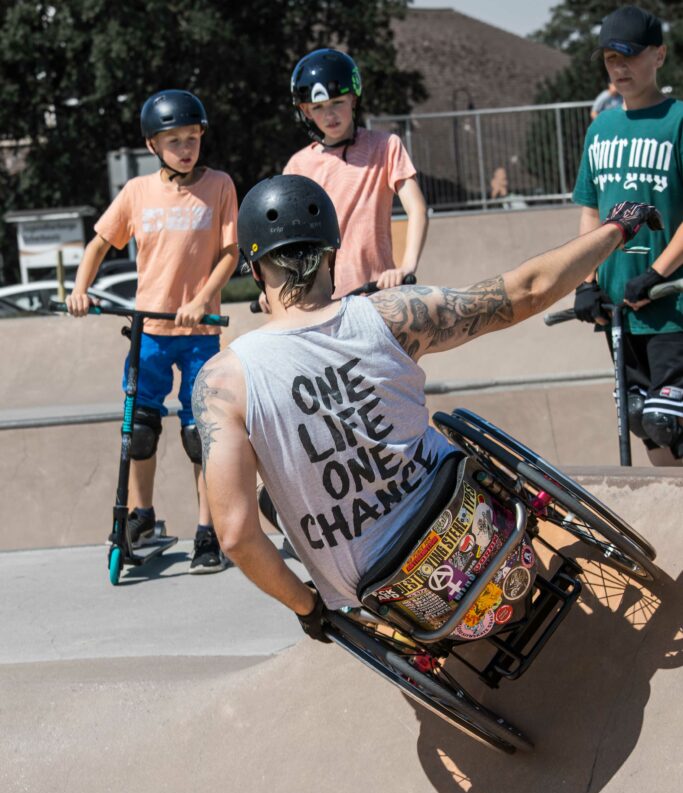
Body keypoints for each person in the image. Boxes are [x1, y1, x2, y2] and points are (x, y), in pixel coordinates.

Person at [191, 173, 659, 640]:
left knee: (261, 489)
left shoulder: (223, 382)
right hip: (489, 537)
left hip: (406, 604)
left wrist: (308, 606)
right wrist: (615, 229)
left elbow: (234, 536)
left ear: (254, 271)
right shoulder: (391, 316)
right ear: (333, 252)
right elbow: (527, 290)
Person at [67, 89, 239, 571]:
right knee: (140, 431)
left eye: (192, 137)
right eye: (174, 141)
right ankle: (142, 516)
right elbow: (100, 243)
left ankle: (209, 531)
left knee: (197, 434)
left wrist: (202, 299)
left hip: (199, 333)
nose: (186, 148)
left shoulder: (220, 185)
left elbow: (230, 253)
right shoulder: (138, 193)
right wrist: (81, 289)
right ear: (152, 146)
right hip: (150, 333)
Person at [573, 5, 683, 464]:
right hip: (620, 310)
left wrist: (656, 273)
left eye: (629, 56)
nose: (619, 67)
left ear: (659, 55)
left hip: (671, 307)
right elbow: (591, 212)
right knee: (644, 424)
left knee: (668, 419)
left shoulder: (677, 120)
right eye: (610, 59)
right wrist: (586, 281)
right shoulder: (600, 130)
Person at [282, 48, 428, 298]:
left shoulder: (385, 147)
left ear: (354, 99)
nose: (329, 115)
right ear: (305, 111)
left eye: (337, 102)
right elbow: (286, 238)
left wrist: (407, 265)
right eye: (318, 107)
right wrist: (276, 287)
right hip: (322, 300)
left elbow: (417, 209)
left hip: (377, 293)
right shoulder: (298, 166)